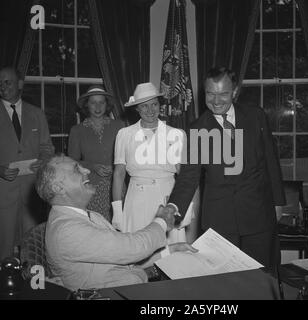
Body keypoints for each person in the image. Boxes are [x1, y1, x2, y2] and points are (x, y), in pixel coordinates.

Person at [162, 67, 286, 271]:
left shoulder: (256, 116)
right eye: (211, 93)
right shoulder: (197, 128)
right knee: (226, 283)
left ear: (235, 92)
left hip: (258, 215)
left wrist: (278, 202)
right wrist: (173, 207)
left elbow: (270, 161)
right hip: (220, 220)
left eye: (223, 93)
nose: (216, 100)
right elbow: (188, 177)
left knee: (262, 279)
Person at [37, 155, 196, 291]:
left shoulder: (88, 216)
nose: (87, 170)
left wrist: (170, 252)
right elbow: (133, 248)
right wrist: (162, 221)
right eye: (77, 170)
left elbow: (126, 260)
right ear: (59, 188)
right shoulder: (66, 230)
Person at [112, 82, 198, 243]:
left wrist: (186, 210)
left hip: (168, 199)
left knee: (170, 253)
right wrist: (117, 210)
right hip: (136, 199)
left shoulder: (177, 134)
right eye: (144, 106)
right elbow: (119, 174)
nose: (150, 110)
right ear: (136, 108)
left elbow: (185, 178)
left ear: (160, 106)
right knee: (138, 250)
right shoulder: (124, 134)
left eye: (154, 105)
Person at [0, 66, 54, 261]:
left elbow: (47, 147)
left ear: (19, 84)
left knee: (32, 249)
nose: (3, 86)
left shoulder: (37, 113)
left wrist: (44, 161)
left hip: (32, 194)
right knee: (4, 249)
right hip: (3, 195)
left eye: (7, 82)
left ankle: (33, 288)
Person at [68, 85, 124, 221]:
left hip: (117, 187)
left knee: (119, 228)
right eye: (93, 102)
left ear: (107, 104)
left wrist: (116, 167)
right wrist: (93, 167)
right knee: (96, 230)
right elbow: (72, 162)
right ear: (87, 105)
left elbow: (129, 157)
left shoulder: (120, 126)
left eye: (101, 102)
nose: (98, 107)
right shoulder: (77, 130)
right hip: (91, 189)